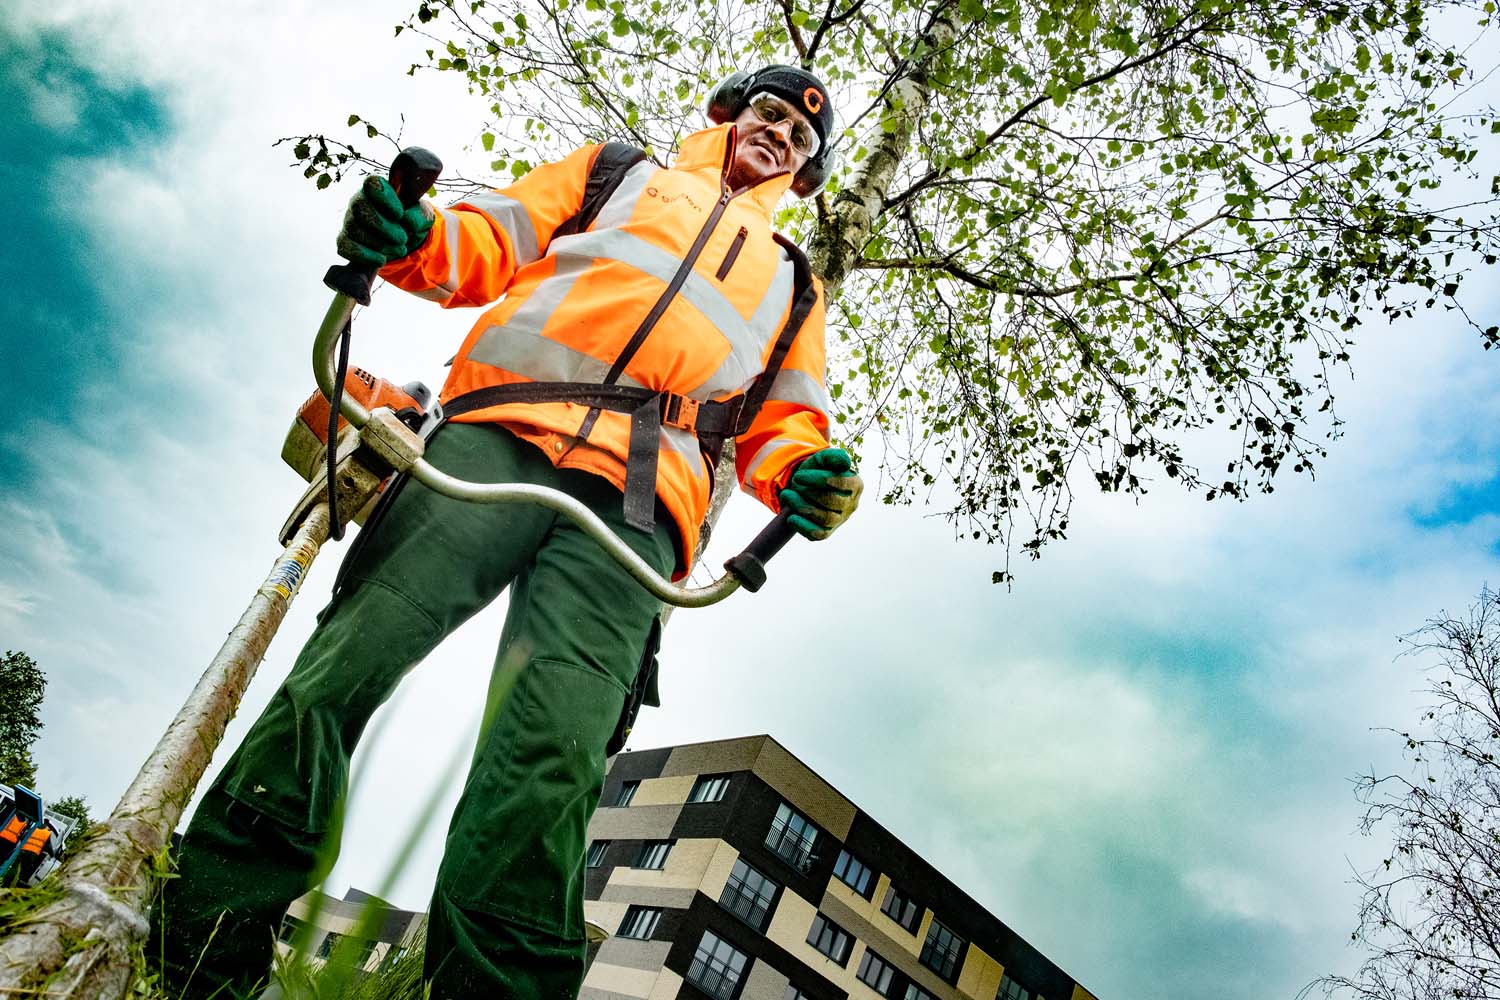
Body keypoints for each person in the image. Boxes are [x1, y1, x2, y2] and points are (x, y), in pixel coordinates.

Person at [157, 64, 862, 999]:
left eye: (801, 140)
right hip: (495, 437)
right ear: (729, 116)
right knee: (349, 664)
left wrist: (807, 478)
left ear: (805, 174)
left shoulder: (795, 285)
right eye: (769, 114)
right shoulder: (617, 173)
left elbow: (789, 423)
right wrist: (413, 237)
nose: (780, 136)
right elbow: (489, 236)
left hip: (639, 510)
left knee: (554, 757)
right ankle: (195, 958)